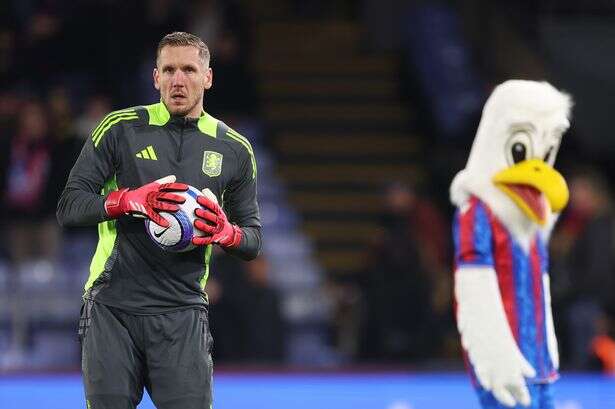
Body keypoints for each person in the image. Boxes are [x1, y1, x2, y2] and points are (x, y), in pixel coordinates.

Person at [56, 32, 261, 409]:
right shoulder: (119, 128)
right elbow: (70, 206)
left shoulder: (234, 148)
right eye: (168, 70)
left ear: (208, 77)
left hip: (183, 312)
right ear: (155, 78)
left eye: (188, 69)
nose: (177, 80)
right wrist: (126, 200)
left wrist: (227, 233)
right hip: (112, 309)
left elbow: (252, 239)